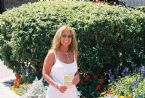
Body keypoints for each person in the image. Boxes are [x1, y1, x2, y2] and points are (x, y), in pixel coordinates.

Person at [42, 25, 80, 98]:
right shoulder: (52, 53)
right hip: (55, 94)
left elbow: (75, 71)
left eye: (69, 36)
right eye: (64, 35)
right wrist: (57, 85)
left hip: (72, 94)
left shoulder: (74, 53)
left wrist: (77, 77)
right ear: (59, 37)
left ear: (72, 39)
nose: (67, 38)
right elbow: (45, 73)